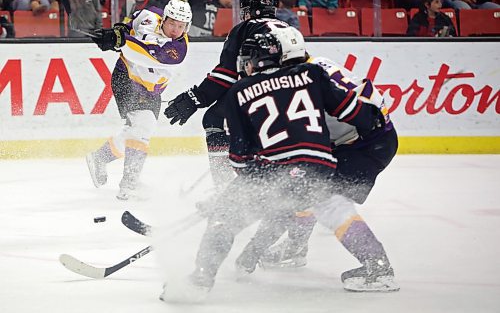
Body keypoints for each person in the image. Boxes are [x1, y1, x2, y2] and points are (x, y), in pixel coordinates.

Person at [160, 31, 387, 302]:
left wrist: (235, 193)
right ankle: (379, 268)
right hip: (318, 167)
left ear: (252, 63)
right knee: (333, 207)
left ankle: (199, 280)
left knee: (224, 217)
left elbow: (240, 158)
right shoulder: (311, 74)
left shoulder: (237, 92)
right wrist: (371, 118)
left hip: (275, 171)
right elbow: (349, 109)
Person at [232, 26, 399, 292]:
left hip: (362, 145)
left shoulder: (298, 83)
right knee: (305, 188)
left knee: (322, 197)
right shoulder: (314, 66)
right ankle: (295, 249)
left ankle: (377, 268)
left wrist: (252, 250)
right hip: (367, 137)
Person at [163, 0, 290, 192]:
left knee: (214, 119)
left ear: (251, 11)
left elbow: (227, 73)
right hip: (295, 94)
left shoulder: (245, 28)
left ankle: (223, 189)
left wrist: (195, 98)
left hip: (262, 92)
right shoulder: (289, 28)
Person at [86, 0, 192, 200]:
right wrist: (117, 32)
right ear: (163, 19)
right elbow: (130, 26)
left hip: (151, 90)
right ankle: (129, 184)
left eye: (181, 26)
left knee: (138, 130)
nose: (175, 30)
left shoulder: (178, 50)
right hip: (126, 77)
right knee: (142, 128)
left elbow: (144, 54)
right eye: (172, 23)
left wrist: (121, 41)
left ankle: (99, 158)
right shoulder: (149, 15)